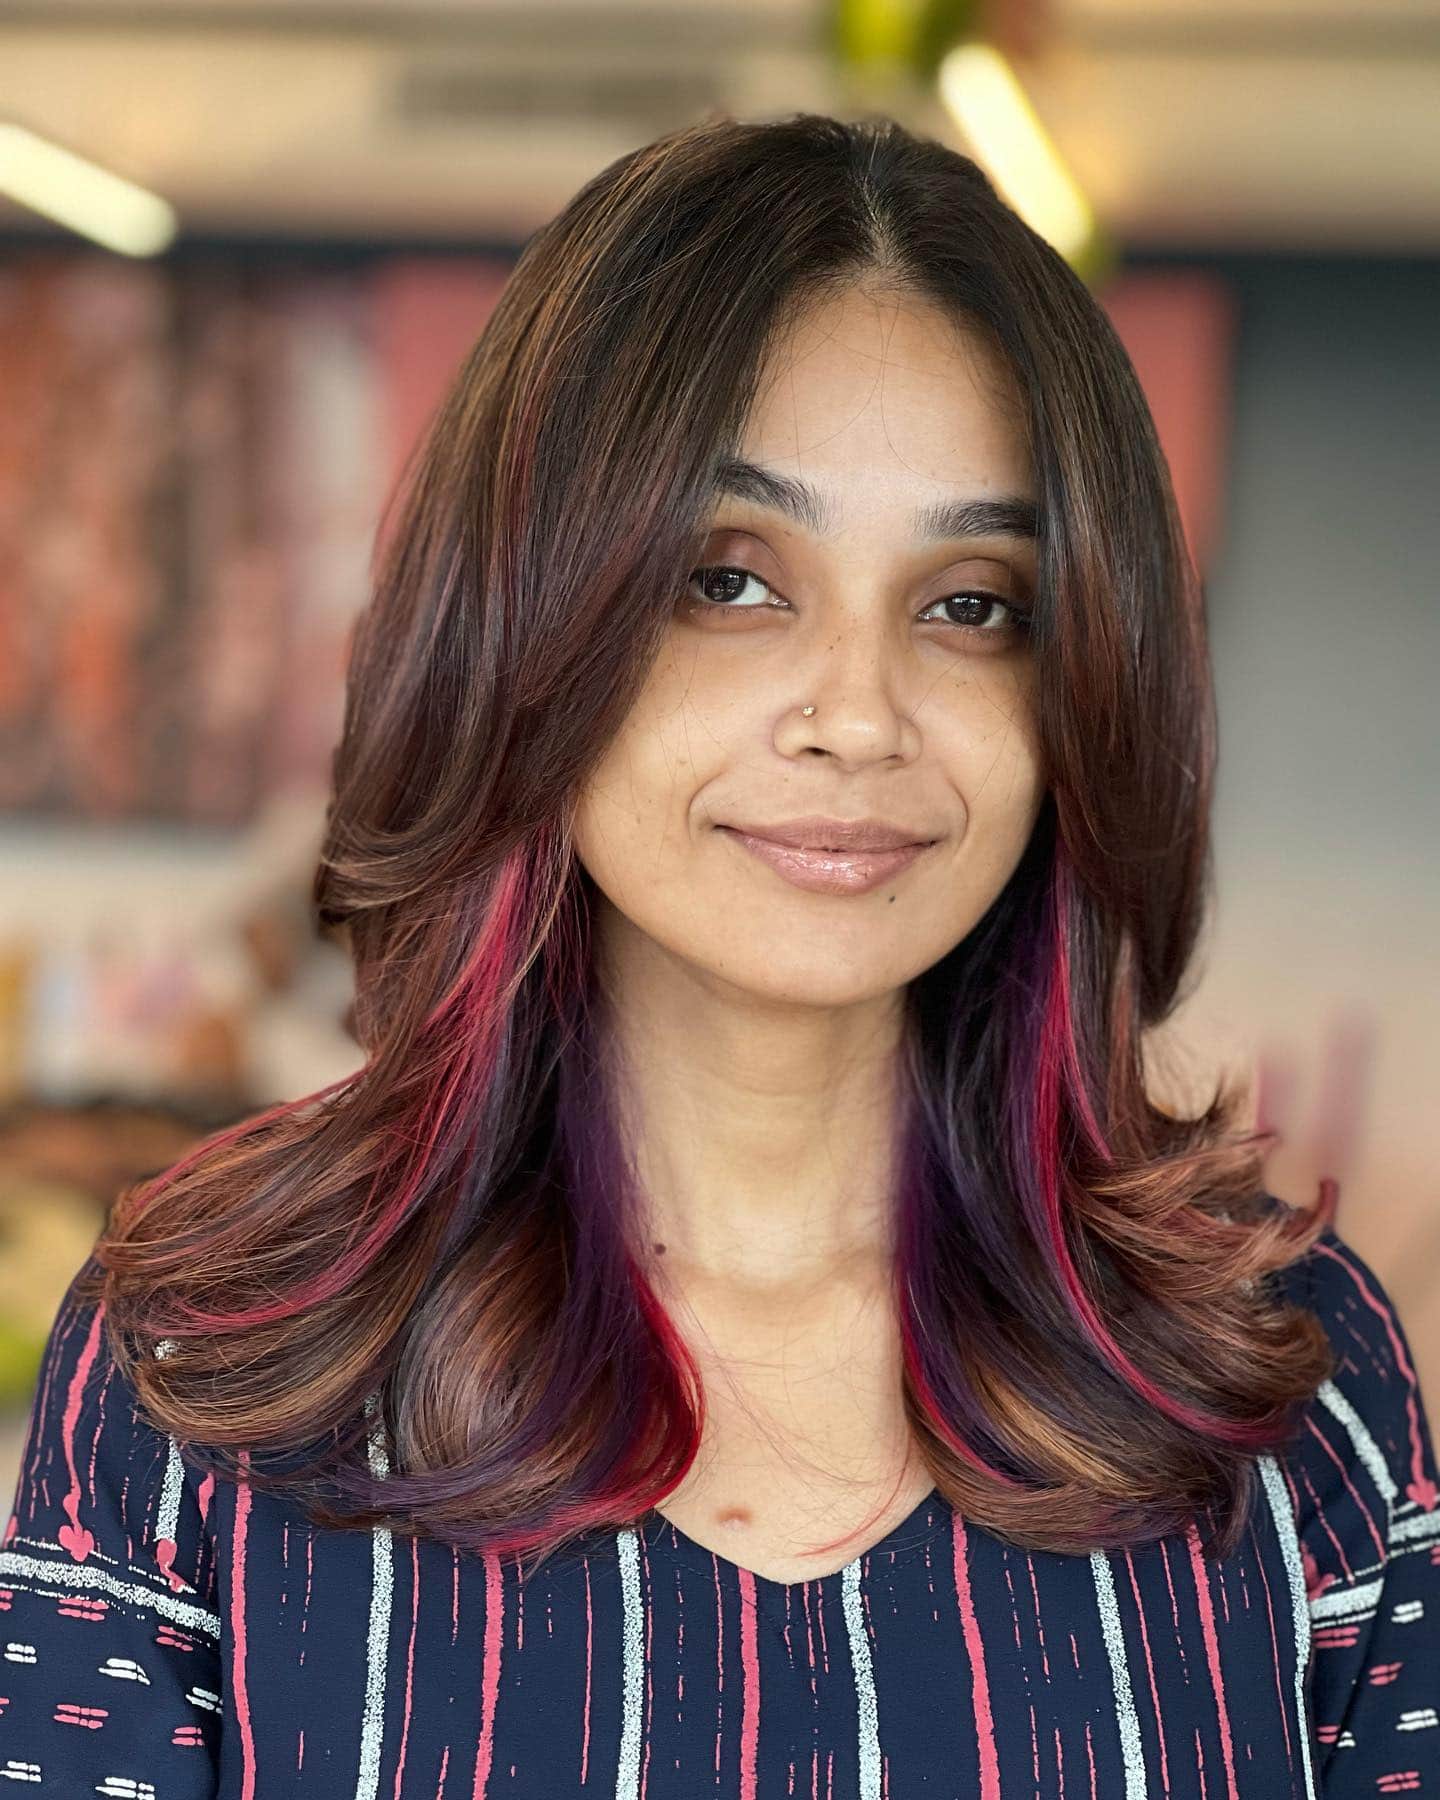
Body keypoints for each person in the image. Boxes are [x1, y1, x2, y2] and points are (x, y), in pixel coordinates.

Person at [2, 111, 1436, 1798]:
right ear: (533, 620)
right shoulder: (210, 1355)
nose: (858, 714)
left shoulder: (1281, 1373)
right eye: (732, 578)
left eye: (973, 602)